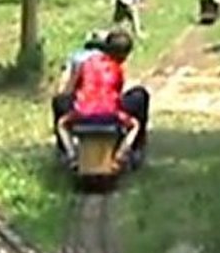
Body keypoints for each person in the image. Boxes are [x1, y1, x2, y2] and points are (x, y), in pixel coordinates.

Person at [52, 29, 149, 169]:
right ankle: (126, 153)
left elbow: (70, 90)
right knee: (136, 116)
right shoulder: (117, 69)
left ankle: (68, 154)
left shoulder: (86, 63)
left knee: (61, 119)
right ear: (125, 55)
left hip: (82, 112)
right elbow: (116, 93)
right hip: (110, 111)